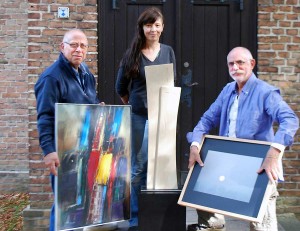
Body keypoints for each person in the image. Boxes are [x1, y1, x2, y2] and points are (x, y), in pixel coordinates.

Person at [186, 47, 299, 231]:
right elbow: (207, 120)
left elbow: (290, 120)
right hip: (228, 159)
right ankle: (212, 224)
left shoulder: (266, 92)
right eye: (231, 63)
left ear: (252, 64)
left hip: (258, 163)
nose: (235, 67)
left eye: (240, 62)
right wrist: (195, 144)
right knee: (201, 173)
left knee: (262, 225)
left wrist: (274, 153)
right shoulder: (227, 90)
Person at [115, 7, 176, 230]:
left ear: (162, 27)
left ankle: (157, 217)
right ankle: (134, 218)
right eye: (148, 25)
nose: (153, 29)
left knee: (160, 166)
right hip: (140, 118)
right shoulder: (132, 54)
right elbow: (120, 87)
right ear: (142, 28)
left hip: (163, 117)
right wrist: (134, 105)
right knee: (138, 168)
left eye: (157, 25)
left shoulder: (168, 51)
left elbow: (171, 82)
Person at [35, 29, 101, 231]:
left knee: (80, 204)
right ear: (62, 47)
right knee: (64, 206)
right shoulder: (51, 78)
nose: (78, 49)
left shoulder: (86, 74)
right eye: (73, 45)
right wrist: (49, 150)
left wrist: (98, 108)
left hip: (83, 150)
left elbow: (89, 103)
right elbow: (45, 116)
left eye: (83, 46)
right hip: (63, 152)